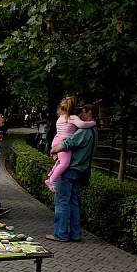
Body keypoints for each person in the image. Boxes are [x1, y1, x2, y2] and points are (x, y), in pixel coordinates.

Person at [46, 103, 98, 243]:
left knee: (62, 202)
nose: (80, 114)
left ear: (89, 112)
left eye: (83, 111)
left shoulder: (85, 130)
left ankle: (60, 234)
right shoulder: (94, 130)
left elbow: (70, 142)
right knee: (73, 202)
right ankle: (75, 234)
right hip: (81, 171)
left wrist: (54, 149)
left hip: (71, 170)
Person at [44, 96, 96, 192]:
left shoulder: (60, 118)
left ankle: (51, 174)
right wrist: (93, 123)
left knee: (59, 161)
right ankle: (51, 180)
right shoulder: (72, 118)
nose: (80, 113)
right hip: (63, 143)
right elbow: (82, 125)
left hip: (56, 140)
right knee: (65, 163)